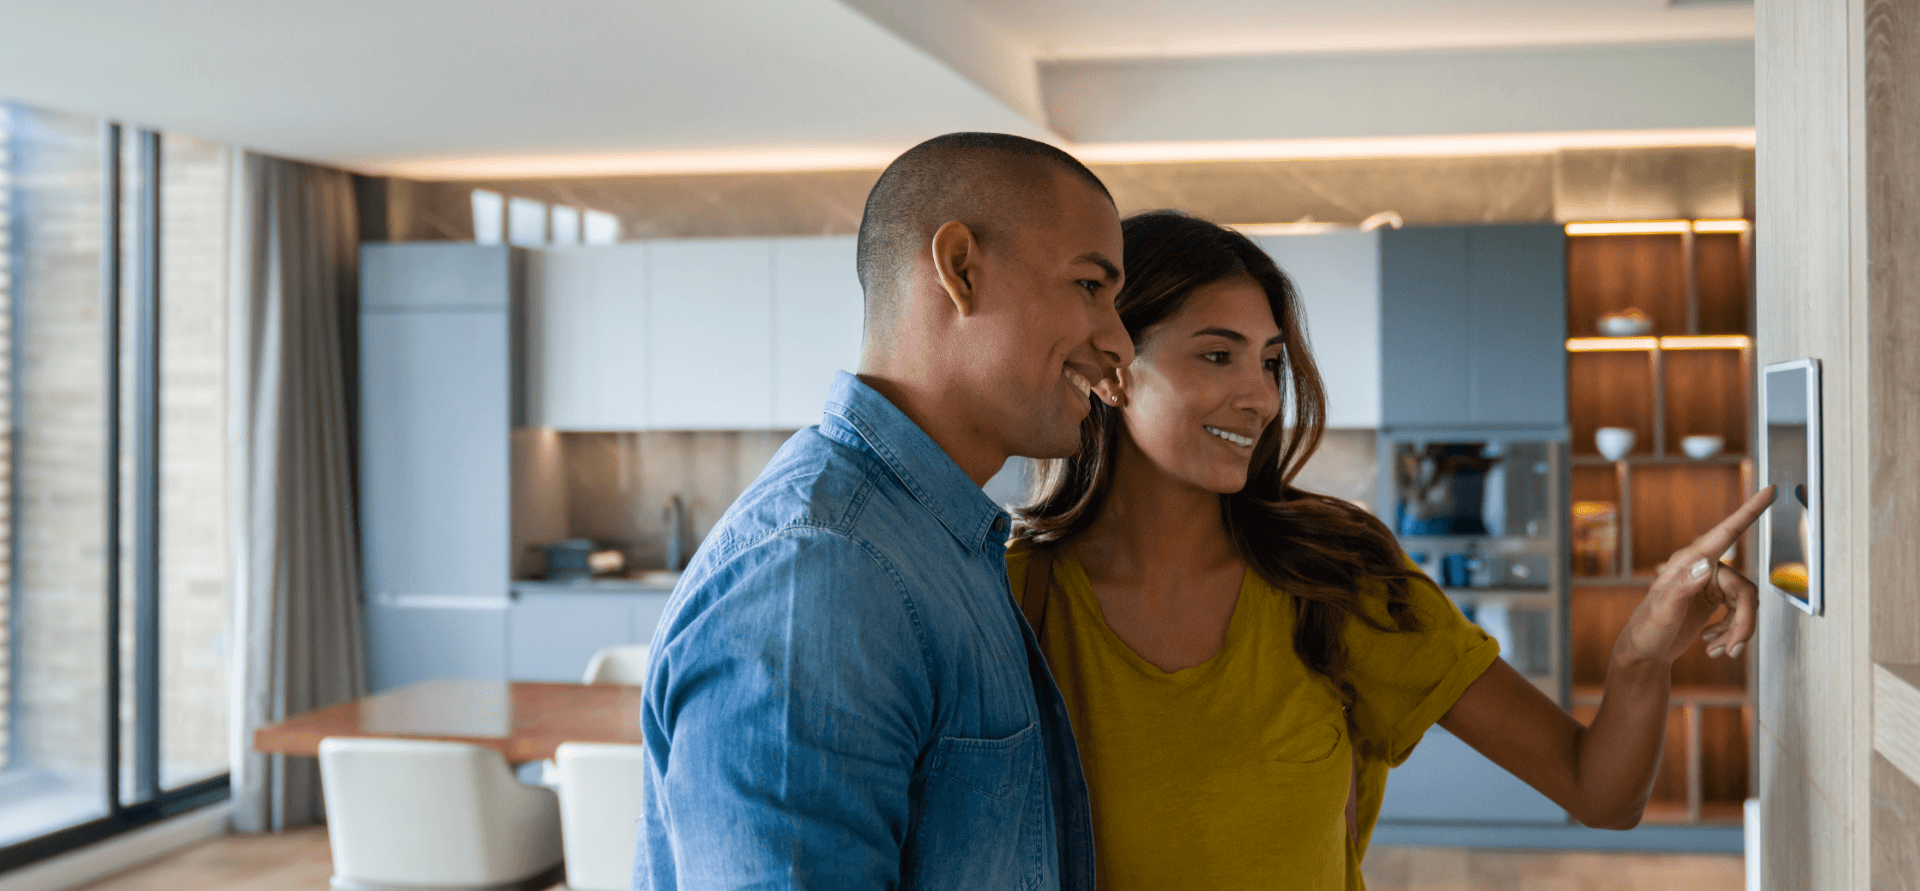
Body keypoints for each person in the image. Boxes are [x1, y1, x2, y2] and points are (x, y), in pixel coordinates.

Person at [1007, 210, 1773, 891]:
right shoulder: (1015, 596)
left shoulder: (1332, 576)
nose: (1263, 396)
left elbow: (1599, 792)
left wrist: (1641, 654)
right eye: (1217, 356)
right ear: (1113, 368)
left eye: (1270, 362)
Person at [635, 133, 1133, 891]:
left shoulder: (924, 545)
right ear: (960, 269)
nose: (1119, 342)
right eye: (1089, 285)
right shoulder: (819, 574)